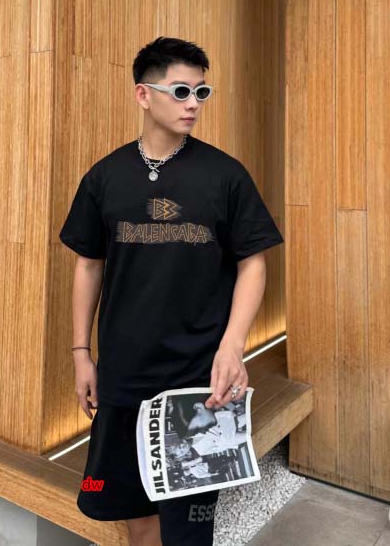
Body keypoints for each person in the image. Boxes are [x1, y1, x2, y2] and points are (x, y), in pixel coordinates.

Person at [59, 36, 284, 546]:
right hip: (123, 378)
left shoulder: (225, 176)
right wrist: (81, 354)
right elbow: (88, 264)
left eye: (201, 92)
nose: (193, 103)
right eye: (181, 90)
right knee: (135, 515)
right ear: (143, 95)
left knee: (188, 529)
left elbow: (253, 263)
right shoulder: (105, 177)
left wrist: (233, 347)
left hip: (198, 386)